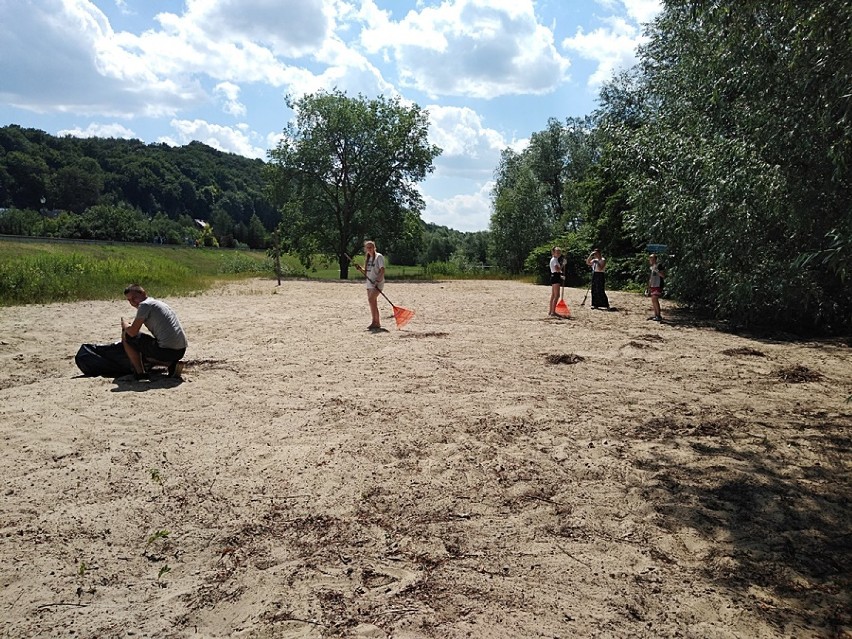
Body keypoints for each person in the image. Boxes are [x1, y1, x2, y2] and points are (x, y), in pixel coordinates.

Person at [121, 284, 188, 380]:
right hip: (181, 350)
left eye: (134, 298)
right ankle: (172, 364)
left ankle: (140, 373)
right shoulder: (157, 303)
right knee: (145, 351)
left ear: (143, 293)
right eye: (129, 300)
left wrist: (125, 325)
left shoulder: (144, 305)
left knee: (126, 334)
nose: (132, 302)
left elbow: (132, 332)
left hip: (167, 351)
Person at [353, 240, 385, 330]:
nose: (369, 249)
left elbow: (382, 270)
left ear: (374, 248)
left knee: (371, 299)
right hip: (369, 283)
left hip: (377, 283)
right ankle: (375, 322)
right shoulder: (368, 258)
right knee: (372, 302)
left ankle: (376, 322)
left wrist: (377, 281)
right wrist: (360, 269)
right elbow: (367, 272)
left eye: (371, 247)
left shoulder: (379, 257)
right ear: (365, 249)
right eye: (367, 248)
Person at [647, 254, 666, 322]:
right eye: (650, 259)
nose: (650, 260)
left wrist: (657, 271)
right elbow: (651, 278)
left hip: (658, 285)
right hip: (653, 285)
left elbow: (663, 275)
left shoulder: (659, 266)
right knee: (653, 300)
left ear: (655, 259)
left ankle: (658, 315)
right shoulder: (652, 267)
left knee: (655, 299)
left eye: (652, 259)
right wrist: (649, 287)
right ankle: (656, 315)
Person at [548, 246, 564, 316]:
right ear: (553, 252)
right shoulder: (554, 260)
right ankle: (553, 312)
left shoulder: (555, 259)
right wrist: (563, 264)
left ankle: (551, 310)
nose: (558, 253)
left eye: (559, 252)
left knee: (553, 295)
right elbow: (557, 269)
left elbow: (557, 270)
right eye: (557, 252)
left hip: (555, 276)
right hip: (555, 277)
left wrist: (560, 275)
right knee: (557, 295)